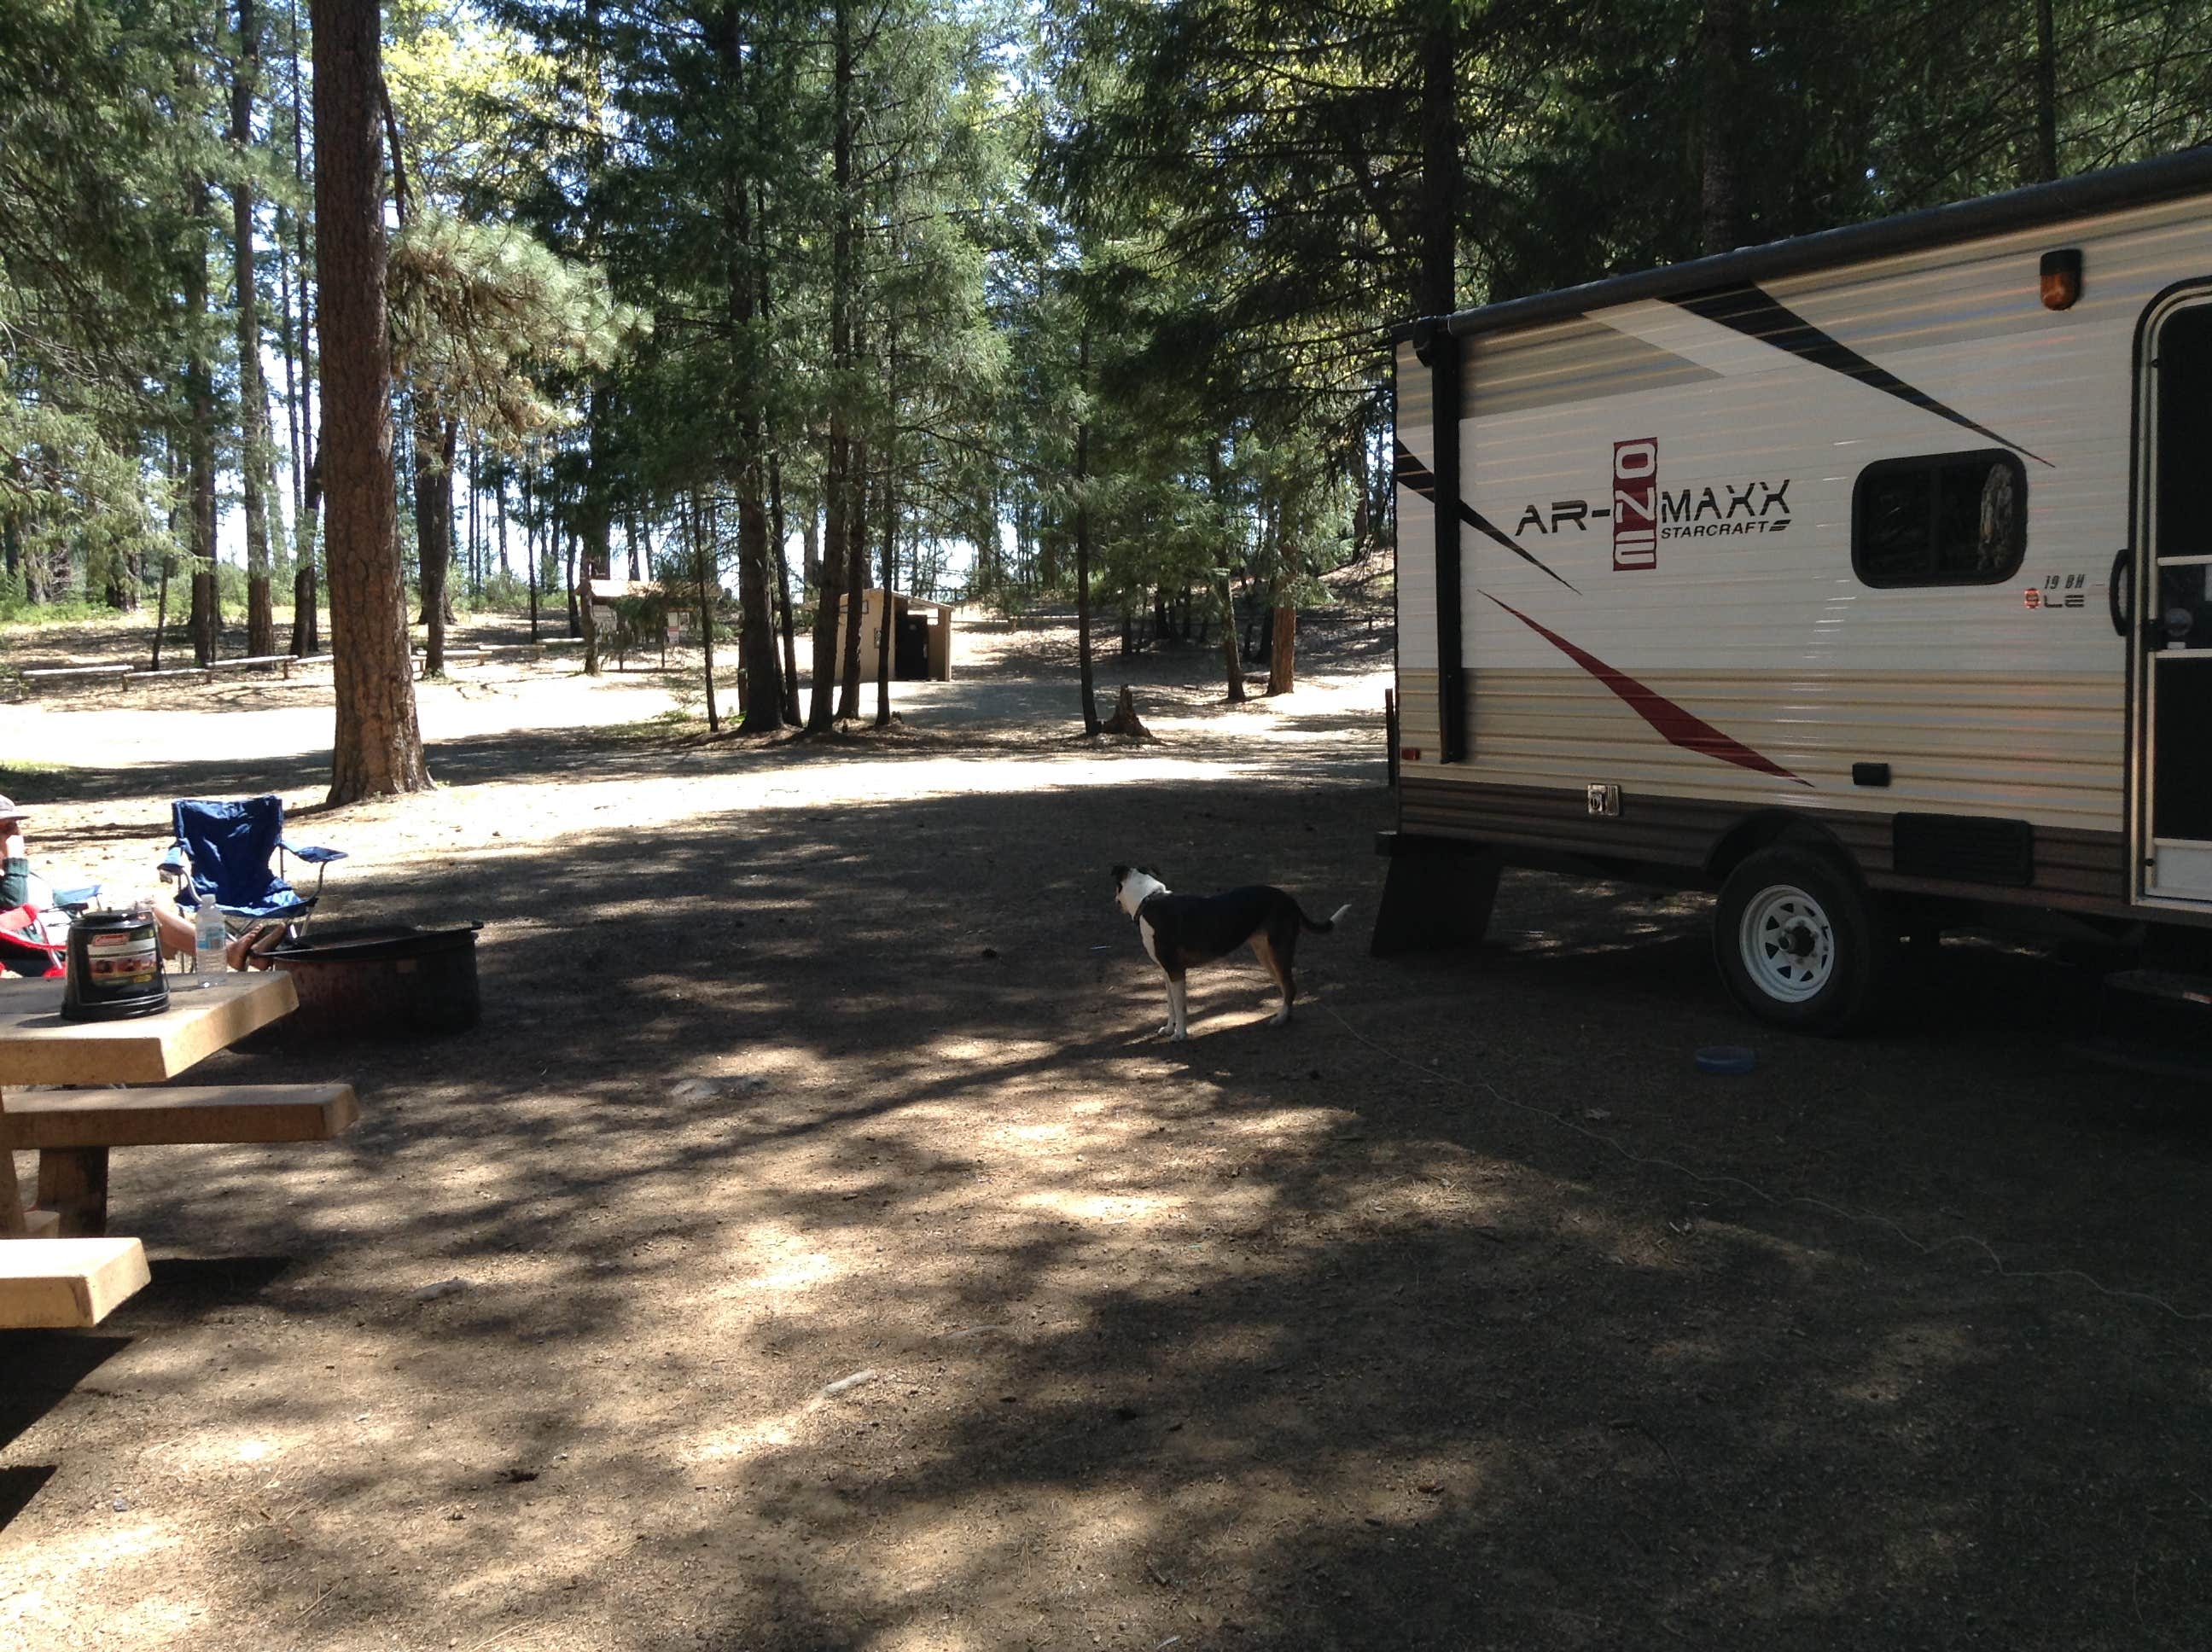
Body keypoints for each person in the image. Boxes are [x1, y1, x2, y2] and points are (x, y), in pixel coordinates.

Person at [1, 794, 282, 970]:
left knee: (148, 909)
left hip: (74, 934)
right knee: (146, 915)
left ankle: (242, 954)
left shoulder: (18, 872)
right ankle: (238, 954)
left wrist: (80, 909)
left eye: (13, 826)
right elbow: (14, 912)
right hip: (54, 950)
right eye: (3, 829)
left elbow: (51, 900)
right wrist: (14, 860)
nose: (13, 835)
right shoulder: (13, 871)